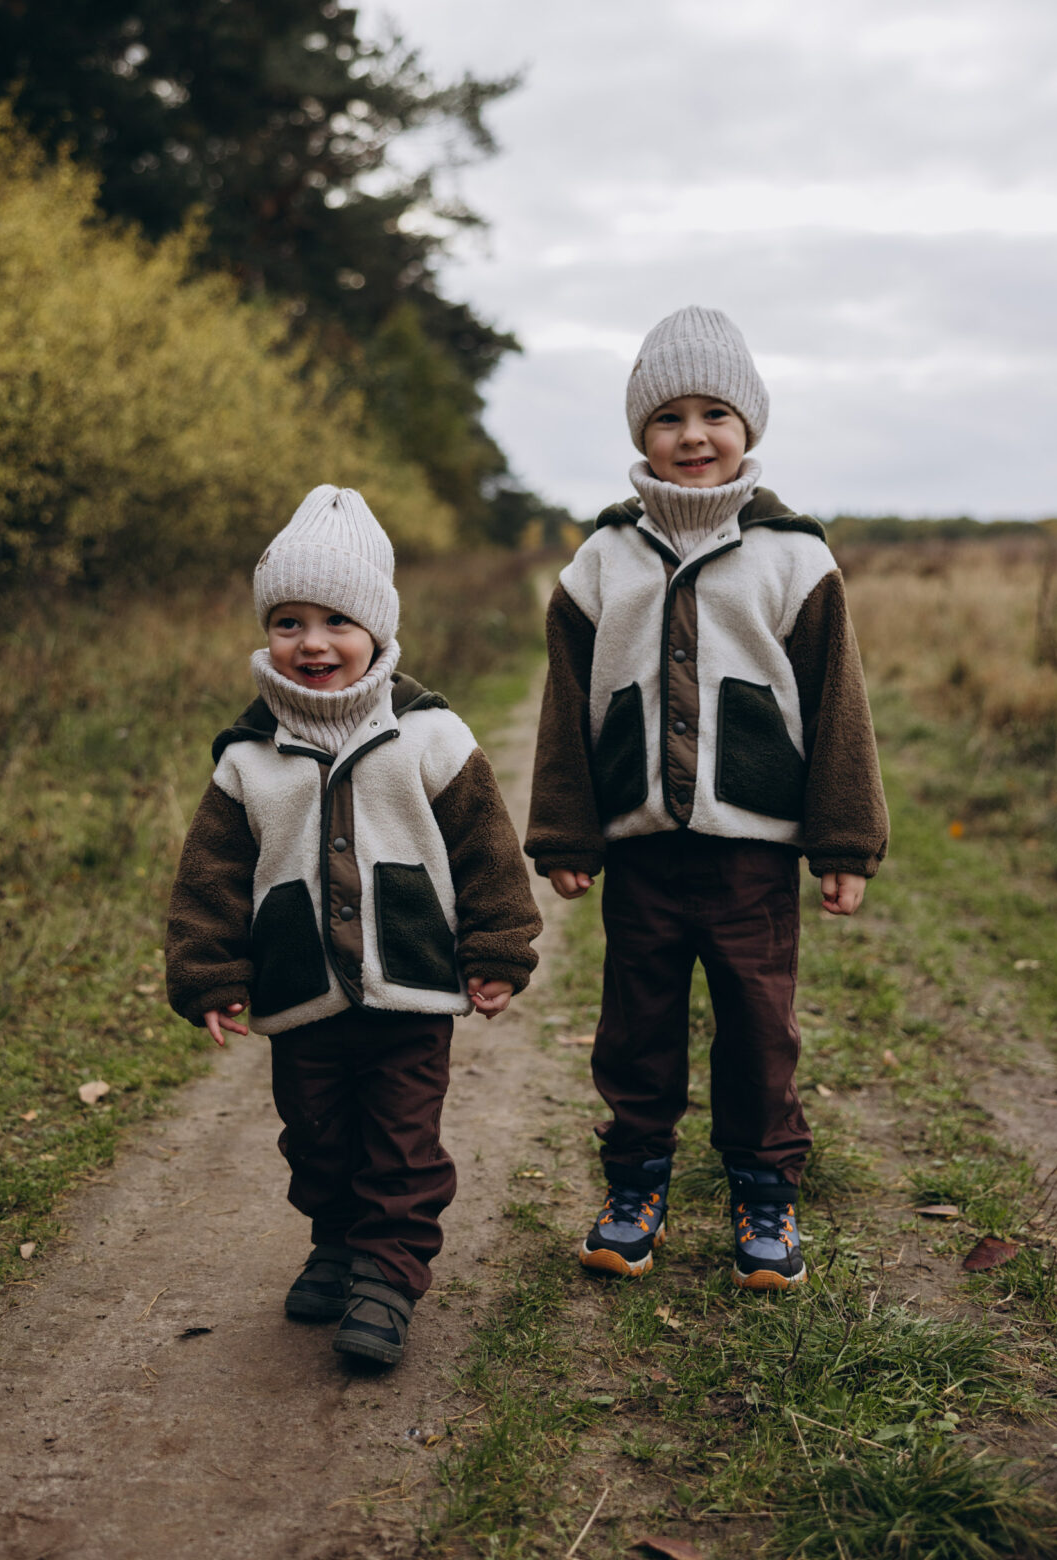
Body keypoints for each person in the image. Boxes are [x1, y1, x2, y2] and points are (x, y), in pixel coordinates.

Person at [525, 307, 888, 1290]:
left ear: (748, 426)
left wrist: (844, 843)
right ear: (640, 433)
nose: (693, 436)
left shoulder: (793, 557)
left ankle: (764, 1193)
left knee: (759, 1028)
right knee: (635, 1028)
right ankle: (634, 1186)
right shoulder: (602, 560)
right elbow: (566, 706)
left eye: (715, 414)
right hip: (642, 852)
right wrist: (565, 831)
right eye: (669, 417)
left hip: (751, 857)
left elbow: (839, 706)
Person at [165, 484, 541, 1363]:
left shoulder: (431, 737)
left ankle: (387, 1275)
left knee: (402, 1142)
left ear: (376, 629)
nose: (313, 642)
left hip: (411, 989)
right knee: (317, 1136)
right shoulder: (247, 757)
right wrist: (209, 972)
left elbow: (487, 851)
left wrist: (496, 949)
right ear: (266, 632)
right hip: (302, 992)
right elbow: (211, 877)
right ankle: (336, 1243)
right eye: (288, 622)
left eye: (337, 620)